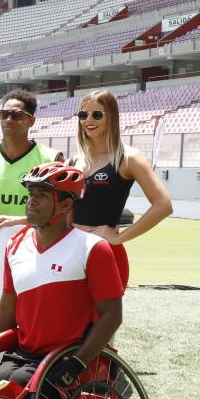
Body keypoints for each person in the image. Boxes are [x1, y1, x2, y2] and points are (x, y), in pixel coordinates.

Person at [0, 162, 123, 397]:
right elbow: (6, 307)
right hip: (24, 354)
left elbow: (112, 315)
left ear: (66, 204)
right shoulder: (15, 245)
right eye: (30, 194)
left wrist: (78, 362)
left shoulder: (93, 248)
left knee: (24, 382)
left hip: (68, 356)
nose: (31, 201)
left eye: (42, 195)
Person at [68, 90, 172, 285]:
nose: (88, 120)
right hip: (71, 251)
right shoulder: (74, 160)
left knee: (105, 316)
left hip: (105, 253)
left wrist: (119, 238)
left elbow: (163, 205)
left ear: (111, 118)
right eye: (83, 115)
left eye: (97, 115)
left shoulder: (128, 158)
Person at [0, 89, 61, 223]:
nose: (8, 119)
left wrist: (21, 221)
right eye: (4, 114)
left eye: (16, 115)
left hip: (32, 243)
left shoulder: (52, 160)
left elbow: (61, 212)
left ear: (31, 121)